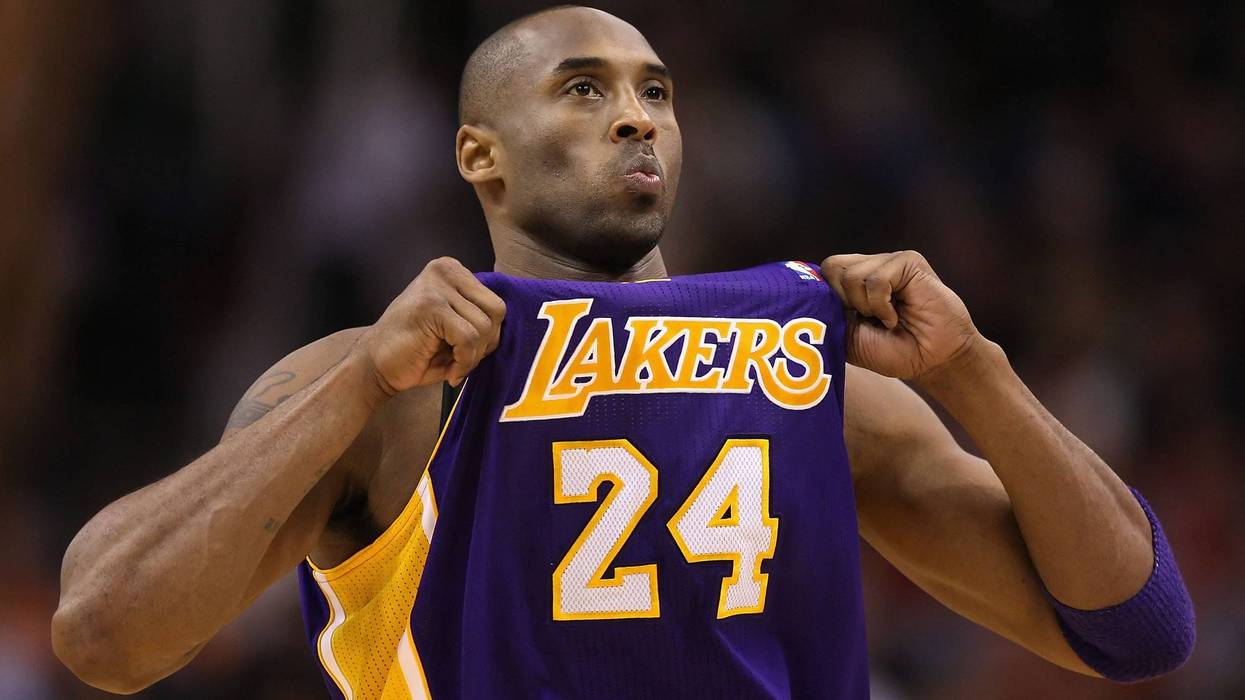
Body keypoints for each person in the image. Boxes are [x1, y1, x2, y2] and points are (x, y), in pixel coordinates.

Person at [51, 6, 1194, 698]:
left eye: (656, 91)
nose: (638, 115)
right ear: (479, 156)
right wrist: (356, 384)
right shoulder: (388, 387)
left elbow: (1139, 629)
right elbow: (104, 634)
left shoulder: (804, 384)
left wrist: (973, 371)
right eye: (584, 89)